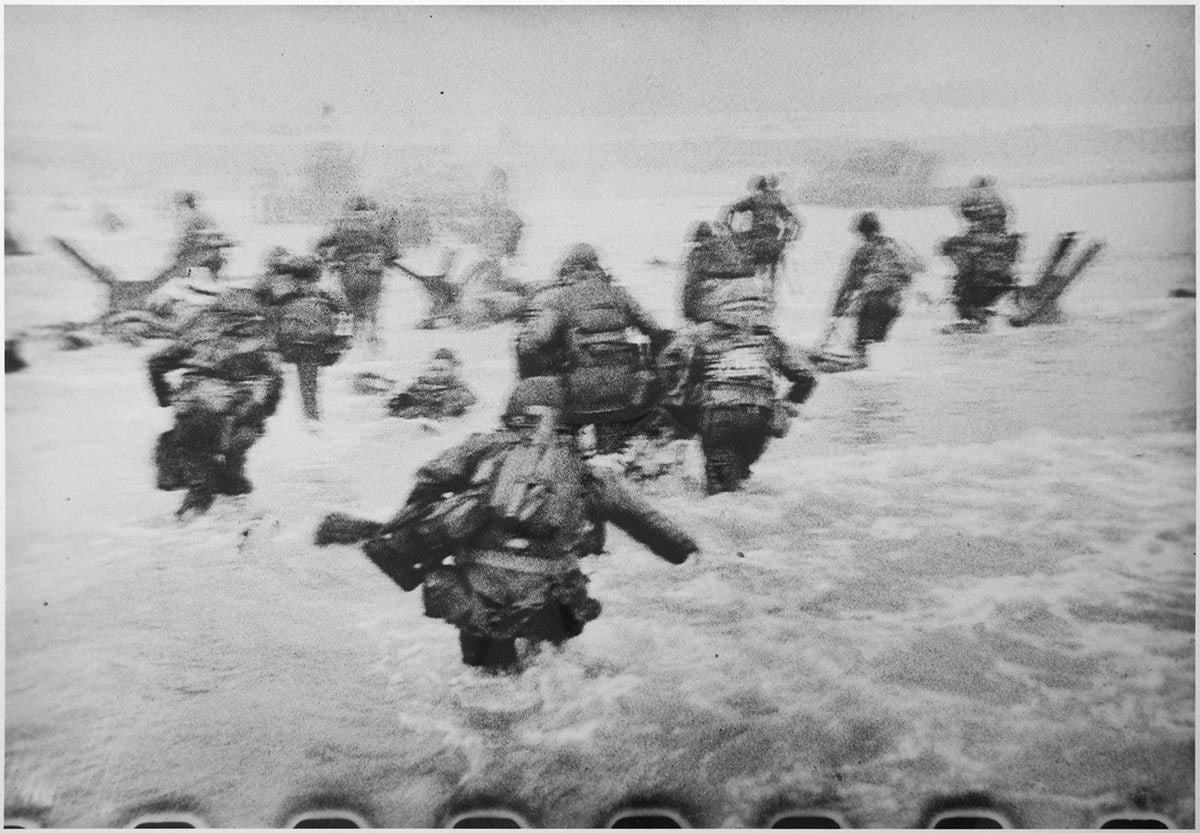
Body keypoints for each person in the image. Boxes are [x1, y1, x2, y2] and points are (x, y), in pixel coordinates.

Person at [315, 376, 697, 673]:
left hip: (476, 597)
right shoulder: (585, 472)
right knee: (551, 671)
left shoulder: (481, 447)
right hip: (553, 600)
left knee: (489, 683)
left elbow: (428, 481)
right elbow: (651, 526)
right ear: (567, 419)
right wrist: (688, 554)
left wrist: (405, 530)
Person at [515, 243, 671, 455]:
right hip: (626, 395)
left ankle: (567, 457)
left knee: (534, 398)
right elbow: (658, 333)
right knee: (611, 451)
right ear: (597, 267)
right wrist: (647, 371)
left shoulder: (562, 297)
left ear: (568, 270)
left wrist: (547, 366)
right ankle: (609, 459)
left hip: (581, 397)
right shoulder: (620, 294)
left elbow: (531, 345)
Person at [148, 289, 283, 517]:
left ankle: (192, 521)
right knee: (233, 472)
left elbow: (155, 364)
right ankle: (240, 519)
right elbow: (276, 381)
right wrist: (263, 413)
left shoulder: (198, 335)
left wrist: (165, 398)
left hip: (194, 416)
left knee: (197, 470)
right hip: (239, 421)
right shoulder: (260, 343)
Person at [657, 320, 817, 495]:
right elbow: (807, 377)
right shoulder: (765, 336)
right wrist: (786, 407)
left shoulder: (699, 334)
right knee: (739, 482)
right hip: (760, 419)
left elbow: (667, 363)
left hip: (719, 416)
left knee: (721, 495)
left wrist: (677, 400)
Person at [252, 248, 352, 422]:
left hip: (283, 345)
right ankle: (312, 420)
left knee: (266, 378)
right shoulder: (325, 293)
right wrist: (341, 342)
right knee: (309, 388)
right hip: (313, 346)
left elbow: (257, 307)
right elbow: (345, 312)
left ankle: (265, 418)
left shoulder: (276, 290)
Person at [828, 212, 924, 358]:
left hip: (875, 303)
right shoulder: (896, 245)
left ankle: (859, 364)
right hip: (896, 303)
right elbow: (918, 267)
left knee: (862, 345)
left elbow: (848, 284)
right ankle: (879, 366)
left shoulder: (863, 251)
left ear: (861, 231)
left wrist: (836, 311)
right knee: (877, 344)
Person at [315, 196, 400, 348]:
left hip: (349, 270)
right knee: (372, 303)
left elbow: (320, 245)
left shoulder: (342, 224)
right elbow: (392, 249)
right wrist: (385, 258)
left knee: (349, 304)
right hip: (373, 270)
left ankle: (349, 337)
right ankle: (372, 335)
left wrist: (329, 259)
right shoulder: (377, 223)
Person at [942, 178, 1023, 326]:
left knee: (964, 301)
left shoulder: (972, 237)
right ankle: (982, 316)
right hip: (1003, 281)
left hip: (980, 283)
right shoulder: (998, 203)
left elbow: (963, 209)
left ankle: (976, 319)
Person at [719, 175, 802, 290]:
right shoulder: (776, 200)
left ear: (755, 186)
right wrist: (787, 238)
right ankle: (771, 296)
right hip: (774, 242)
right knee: (772, 278)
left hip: (758, 241)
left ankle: (757, 294)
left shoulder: (753, 199)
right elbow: (794, 221)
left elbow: (730, 208)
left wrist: (728, 228)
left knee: (756, 273)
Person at [679, 220, 766, 327]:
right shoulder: (735, 251)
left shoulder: (697, 255)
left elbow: (689, 294)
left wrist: (688, 314)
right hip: (749, 304)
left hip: (715, 314)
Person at [387, 348, 478, 420]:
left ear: (453, 371)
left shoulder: (460, 393)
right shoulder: (414, 388)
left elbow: (447, 413)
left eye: (442, 370)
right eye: (433, 369)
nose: (436, 374)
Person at [170, 191, 234, 279]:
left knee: (184, 266)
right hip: (210, 258)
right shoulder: (201, 218)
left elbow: (187, 242)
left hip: (205, 259)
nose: (178, 209)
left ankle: (189, 279)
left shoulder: (193, 219)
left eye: (181, 206)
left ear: (186, 205)